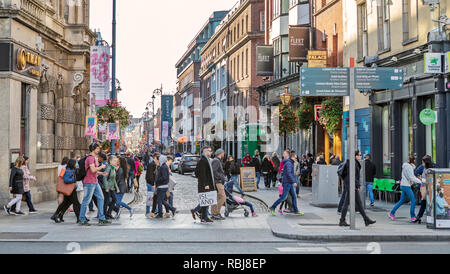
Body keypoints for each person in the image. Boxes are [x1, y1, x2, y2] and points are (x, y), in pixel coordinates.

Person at [339, 150, 376, 227]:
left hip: (350, 184)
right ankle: (366, 219)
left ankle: (343, 220)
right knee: (356, 203)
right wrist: (357, 185)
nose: (360, 156)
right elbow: (353, 176)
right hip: (351, 185)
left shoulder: (353, 163)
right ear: (355, 156)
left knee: (354, 203)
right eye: (359, 155)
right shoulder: (353, 164)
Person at [78, 143, 111, 226]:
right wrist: (101, 167)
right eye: (97, 148)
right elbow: (92, 170)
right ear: (93, 149)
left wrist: (101, 173)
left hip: (94, 181)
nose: (98, 150)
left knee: (101, 198)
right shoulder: (90, 158)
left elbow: (94, 171)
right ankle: (81, 219)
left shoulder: (93, 158)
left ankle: (101, 218)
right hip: (89, 182)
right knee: (86, 200)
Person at [269, 150, 304, 216]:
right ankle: (273, 207)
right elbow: (288, 174)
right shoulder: (289, 163)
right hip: (287, 183)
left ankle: (296, 210)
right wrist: (293, 181)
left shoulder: (290, 162)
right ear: (292, 157)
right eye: (295, 158)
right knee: (283, 197)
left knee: (294, 196)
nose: (296, 159)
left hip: (289, 182)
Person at [389, 155, 422, 222]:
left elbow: (407, 177)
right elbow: (411, 177)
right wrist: (420, 181)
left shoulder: (405, 166)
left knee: (402, 200)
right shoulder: (409, 167)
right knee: (413, 201)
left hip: (403, 185)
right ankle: (413, 217)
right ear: (414, 161)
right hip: (406, 186)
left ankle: (391, 213)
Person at [51, 159, 80, 223]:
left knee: (66, 203)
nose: (76, 164)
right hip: (70, 189)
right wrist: (74, 179)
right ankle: (79, 218)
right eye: (75, 163)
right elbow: (66, 180)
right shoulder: (68, 171)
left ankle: (57, 215)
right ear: (72, 164)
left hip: (71, 189)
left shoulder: (72, 170)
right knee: (76, 203)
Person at [193, 146, 215, 223]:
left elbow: (197, 173)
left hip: (206, 184)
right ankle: (203, 216)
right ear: (205, 151)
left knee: (206, 201)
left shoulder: (206, 160)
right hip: (204, 184)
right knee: (205, 201)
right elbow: (202, 174)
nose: (211, 152)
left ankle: (203, 216)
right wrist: (205, 184)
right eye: (209, 151)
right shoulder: (203, 160)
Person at [414, 156, 436, 223]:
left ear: (426, 162)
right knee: (426, 202)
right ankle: (420, 216)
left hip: (430, 188)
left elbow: (428, 180)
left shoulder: (426, 168)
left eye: (423, 162)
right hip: (429, 188)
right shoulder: (434, 166)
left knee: (427, 202)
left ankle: (420, 216)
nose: (422, 164)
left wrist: (420, 178)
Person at [211, 149, 227, 221]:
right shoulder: (216, 161)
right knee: (223, 197)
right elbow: (214, 171)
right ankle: (216, 213)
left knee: (217, 198)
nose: (224, 154)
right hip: (218, 182)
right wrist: (220, 177)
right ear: (221, 153)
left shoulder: (217, 160)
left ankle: (214, 213)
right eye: (223, 153)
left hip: (218, 181)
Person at [103, 155, 120, 220]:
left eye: (116, 161)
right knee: (106, 201)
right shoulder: (108, 168)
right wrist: (106, 187)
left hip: (112, 188)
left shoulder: (113, 168)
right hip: (107, 188)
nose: (116, 162)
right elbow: (104, 178)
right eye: (114, 161)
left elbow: (114, 179)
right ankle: (105, 215)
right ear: (110, 161)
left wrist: (117, 188)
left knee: (114, 200)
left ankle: (109, 213)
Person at [145, 152, 159, 217]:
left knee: (153, 198)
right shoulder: (151, 164)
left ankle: (155, 210)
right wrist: (153, 183)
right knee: (150, 197)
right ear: (155, 158)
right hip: (151, 183)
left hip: (152, 183)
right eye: (158, 158)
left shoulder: (156, 164)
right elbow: (150, 175)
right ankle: (148, 211)